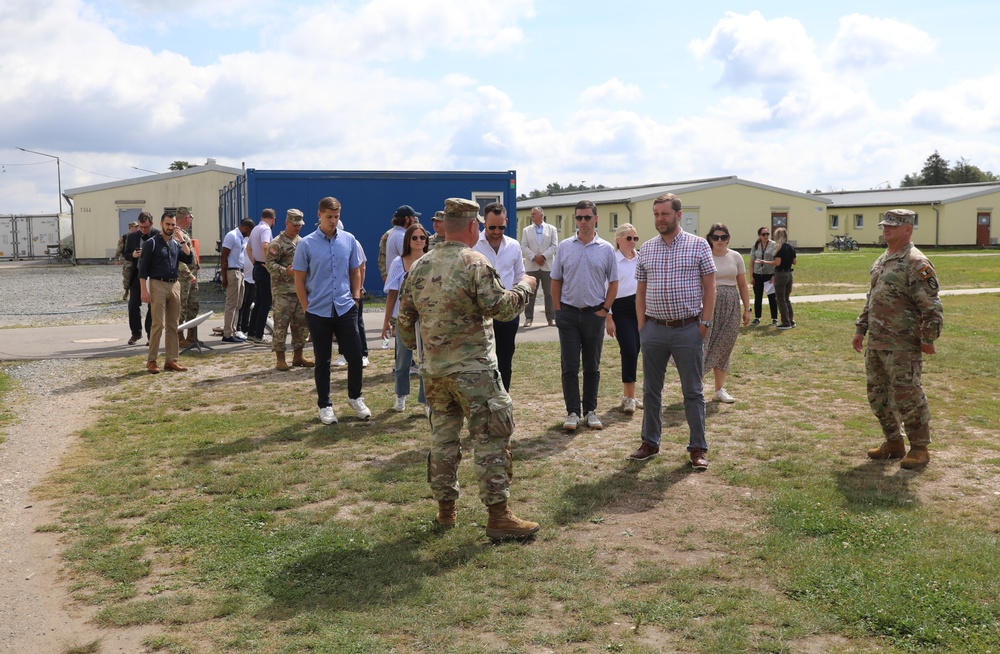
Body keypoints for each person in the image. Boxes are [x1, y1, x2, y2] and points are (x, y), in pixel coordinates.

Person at [397, 197, 539, 539]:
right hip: (474, 371)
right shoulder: (474, 262)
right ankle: (498, 516)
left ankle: (446, 512)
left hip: (435, 373)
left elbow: (404, 322)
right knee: (491, 438)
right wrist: (525, 287)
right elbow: (501, 309)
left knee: (443, 440)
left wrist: (426, 351)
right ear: (473, 227)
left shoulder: (420, 265)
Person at [628, 193, 716, 469]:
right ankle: (650, 442)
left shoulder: (698, 246)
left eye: (664, 214)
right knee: (651, 391)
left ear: (679, 215)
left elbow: (710, 287)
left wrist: (704, 324)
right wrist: (642, 326)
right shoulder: (648, 249)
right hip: (653, 329)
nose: (659, 219)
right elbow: (640, 290)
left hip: (687, 329)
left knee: (693, 391)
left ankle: (697, 448)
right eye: (656, 214)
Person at [853, 209, 943, 469]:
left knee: (908, 396)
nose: (886, 229)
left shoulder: (917, 262)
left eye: (892, 226)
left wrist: (928, 338)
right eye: (885, 225)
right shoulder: (883, 259)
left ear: (908, 229)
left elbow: (932, 306)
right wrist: (861, 329)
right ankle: (893, 442)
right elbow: (872, 298)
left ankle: (919, 448)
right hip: (877, 342)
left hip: (903, 344)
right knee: (878, 396)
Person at [293, 197, 370, 424]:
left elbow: (356, 269)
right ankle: (325, 405)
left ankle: (355, 397)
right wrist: (307, 308)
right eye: (329, 217)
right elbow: (299, 279)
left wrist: (356, 296)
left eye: (336, 217)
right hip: (318, 310)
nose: (333, 221)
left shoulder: (349, 239)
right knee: (323, 360)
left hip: (346, 306)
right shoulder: (306, 244)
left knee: (356, 355)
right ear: (319, 215)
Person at [551, 200, 617, 431]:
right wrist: (558, 310)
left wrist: (605, 310)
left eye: (587, 217)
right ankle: (572, 412)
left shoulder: (606, 249)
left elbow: (614, 281)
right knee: (569, 366)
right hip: (568, 314)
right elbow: (556, 279)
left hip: (594, 314)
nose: (583, 222)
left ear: (596, 218)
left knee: (592, 366)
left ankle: (590, 411)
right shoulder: (565, 246)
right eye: (579, 218)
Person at [473, 202, 525, 392]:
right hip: (480, 312)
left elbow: (520, 276)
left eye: (501, 227)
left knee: (505, 358)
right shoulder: (473, 245)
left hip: (507, 311)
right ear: (483, 223)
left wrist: (517, 299)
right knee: (480, 359)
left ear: (507, 222)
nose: (496, 231)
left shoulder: (513, 245)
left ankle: (503, 399)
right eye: (492, 227)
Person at [137, 212, 194, 374]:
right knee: (158, 324)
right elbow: (142, 269)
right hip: (157, 284)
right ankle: (152, 361)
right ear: (161, 223)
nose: (170, 227)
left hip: (174, 285)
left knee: (172, 325)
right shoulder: (151, 243)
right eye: (167, 224)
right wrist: (144, 290)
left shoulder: (176, 244)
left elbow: (188, 258)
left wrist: (181, 239)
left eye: (172, 225)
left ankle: (171, 360)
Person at [381, 223, 429, 412]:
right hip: (404, 318)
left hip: (427, 318)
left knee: (426, 360)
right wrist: (386, 322)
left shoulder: (431, 261)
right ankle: (400, 395)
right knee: (402, 360)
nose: (419, 241)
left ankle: (426, 400)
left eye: (422, 237)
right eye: (414, 238)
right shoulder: (398, 263)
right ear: (408, 240)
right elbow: (392, 294)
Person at [703, 223, 752, 403]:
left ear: (728, 238)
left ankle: (719, 389)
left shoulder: (736, 256)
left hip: (731, 304)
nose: (719, 240)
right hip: (709, 304)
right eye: (716, 237)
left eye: (723, 237)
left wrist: (747, 309)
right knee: (704, 344)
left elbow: (742, 285)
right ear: (710, 238)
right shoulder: (704, 255)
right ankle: (696, 387)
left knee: (725, 345)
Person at [265, 209, 312, 371]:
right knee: (281, 325)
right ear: (287, 223)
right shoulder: (277, 243)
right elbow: (269, 265)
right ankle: (280, 359)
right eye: (294, 225)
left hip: (300, 291)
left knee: (301, 325)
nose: (297, 228)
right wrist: (286, 271)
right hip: (283, 292)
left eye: (299, 225)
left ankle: (298, 356)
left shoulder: (304, 242)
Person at [605, 223, 643, 414]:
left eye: (635, 238)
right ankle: (629, 398)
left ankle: (631, 394)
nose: (632, 242)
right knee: (628, 350)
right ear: (618, 240)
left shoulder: (640, 259)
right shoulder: (613, 260)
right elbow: (607, 288)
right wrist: (608, 317)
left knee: (637, 349)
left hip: (640, 308)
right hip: (621, 309)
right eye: (629, 238)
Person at [520, 206, 559, 327]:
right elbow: (523, 246)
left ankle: (551, 318)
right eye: (531, 214)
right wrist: (534, 257)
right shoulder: (526, 230)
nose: (531, 216)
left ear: (541, 215)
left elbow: (554, 246)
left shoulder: (552, 229)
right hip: (532, 266)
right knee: (530, 293)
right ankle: (528, 318)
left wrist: (543, 256)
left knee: (549, 293)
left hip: (547, 266)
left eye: (534, 214)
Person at [124, 213, 158, 345]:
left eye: (146, 227)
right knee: (133, 305)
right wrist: (133, 254)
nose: (143, 230)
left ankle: (151, 335)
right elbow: (126, 254)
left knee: (152, 307)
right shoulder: (132, 236)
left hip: (153, 276)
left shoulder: (158, 235)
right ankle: (136, 333)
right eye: (141, 227)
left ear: (152, 224)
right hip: (137, 276)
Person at [220, 218, 254, 343]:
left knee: (238, 304)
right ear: (245, 227)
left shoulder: (241, 237)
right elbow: (224, 256)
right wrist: (224, 277)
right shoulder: (232, 236)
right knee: (231, 304)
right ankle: (227, 334)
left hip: (240, 272)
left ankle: (233, 331)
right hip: (232, 272)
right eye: (249, 231)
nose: (249, 234)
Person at [247, 208, 276, 344]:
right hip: (264, 268)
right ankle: (259, 335)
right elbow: (265, 245)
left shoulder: (255, 229)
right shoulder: (266, 229)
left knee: (258, 302)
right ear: (273, 219)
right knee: (266, 303)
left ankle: (252, 332)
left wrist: (254, 261)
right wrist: (268, 262)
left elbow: (249, 248)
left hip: (257, 267)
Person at [173, 207, 201, 347]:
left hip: (191, 277)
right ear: (187, 218)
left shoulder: (183, 233)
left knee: (192, 306)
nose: (191, 222)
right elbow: (177, 259)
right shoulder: (176, 234)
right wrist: (189, 274)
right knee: (181, 307)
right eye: (190, 218)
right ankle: (179, 338)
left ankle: (191, 336)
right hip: (183, 278)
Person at [760, 226, 796, 330]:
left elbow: (777, 263)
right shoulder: (791, 247)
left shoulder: (780, 248)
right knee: (787, 299)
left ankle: (785, 323)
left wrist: (764, 262)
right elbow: (794, 262)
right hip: (789, 274)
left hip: (780, 274)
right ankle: (791, 320)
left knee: (780, 299)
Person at [378, 204, 420, 283]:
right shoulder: (402, 236)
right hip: (401, 281)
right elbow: (409, 261)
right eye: (413, 217)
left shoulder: (393, 233)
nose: (414, 220)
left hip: (395, 280)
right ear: (407, 219)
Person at [749, 226, 778, 326]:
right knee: (758, 297)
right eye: (763, 234)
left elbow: (777, 261)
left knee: (771, 296)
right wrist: (751, 276)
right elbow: (751, 262)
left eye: (767, 234)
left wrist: (774, 275)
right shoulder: (756, 245)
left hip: (769, 275)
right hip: (757, 274)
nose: (766, 236)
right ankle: (757, 318)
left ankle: (774, 318)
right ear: (759, 235)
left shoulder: (774, 245)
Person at [115, 221, 138, 301]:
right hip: (127, 260)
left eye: (137, 227)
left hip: (137, 260)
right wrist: (116, 258)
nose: (136, 228)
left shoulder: (138, 236)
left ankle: (135, 293)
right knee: (127, 277)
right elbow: (119, 248)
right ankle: (126, 291)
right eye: (134, 227)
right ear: (130, 227)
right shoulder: (125, 237)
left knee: (137, 277)